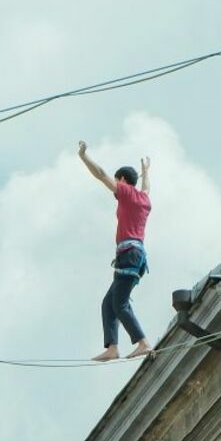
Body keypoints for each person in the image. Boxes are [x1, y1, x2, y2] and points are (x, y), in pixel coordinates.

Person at [77, 142, 152, 362]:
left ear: (121, 180)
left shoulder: (127, 193)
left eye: (117, 181)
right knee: (109, 303)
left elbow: (101, 174)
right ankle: (112, 347)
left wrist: (84, 156)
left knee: (119, 303)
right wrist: (146, 173)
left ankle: (143, 342)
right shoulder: (144, 198)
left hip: (129, 253)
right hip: (134, 256)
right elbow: (147, 187)